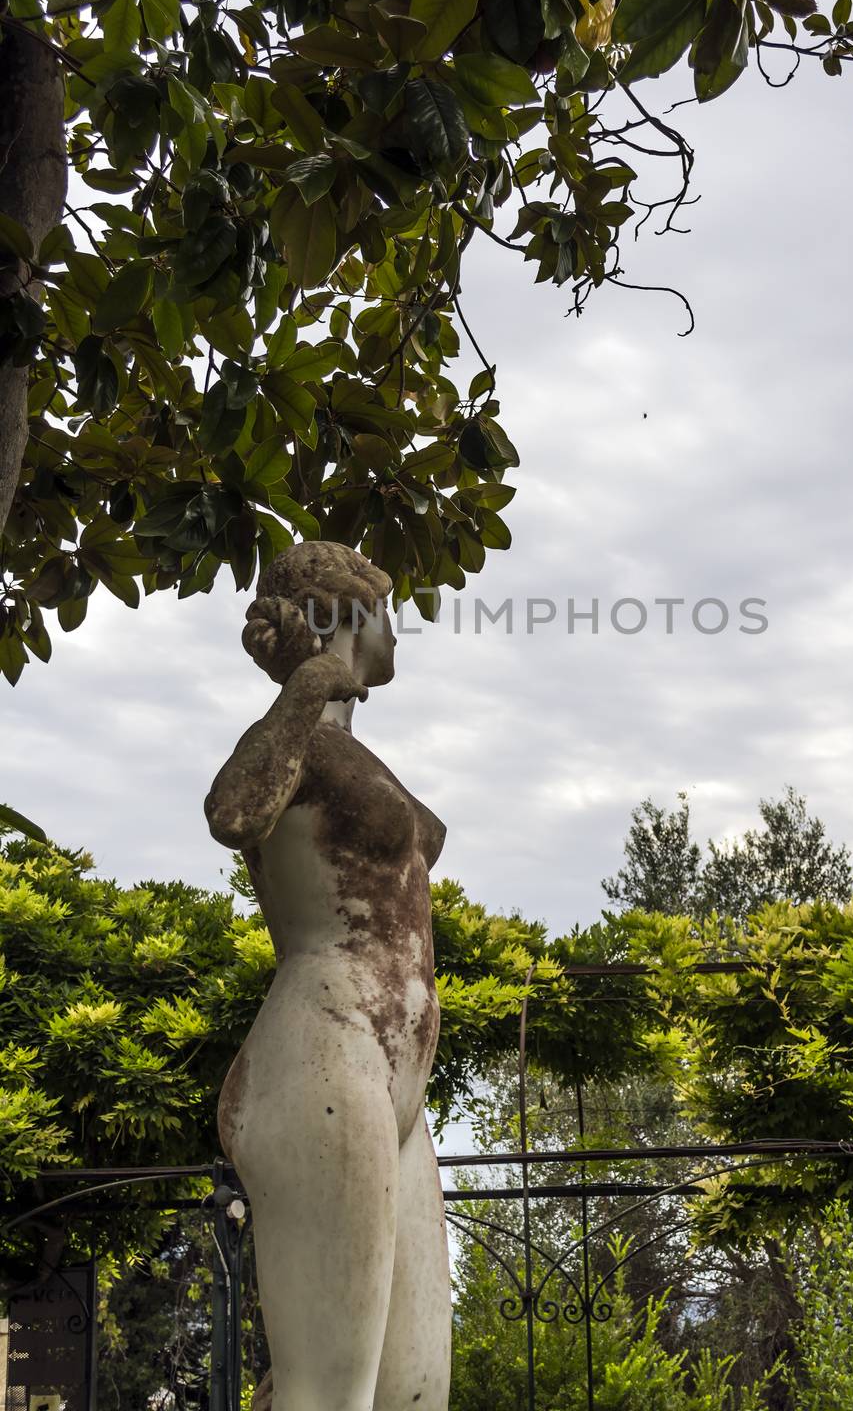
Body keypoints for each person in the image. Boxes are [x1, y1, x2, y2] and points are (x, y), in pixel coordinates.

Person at [205, 542, 451, 1411]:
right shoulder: (292, 734)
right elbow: (233, 813)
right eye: (387, 611)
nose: (398, 633)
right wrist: (304, 686)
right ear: (349, 616)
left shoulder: (357, 756)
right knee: (328, 1394)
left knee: (413, 1390)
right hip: (324, 1050)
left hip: (397, 1081)